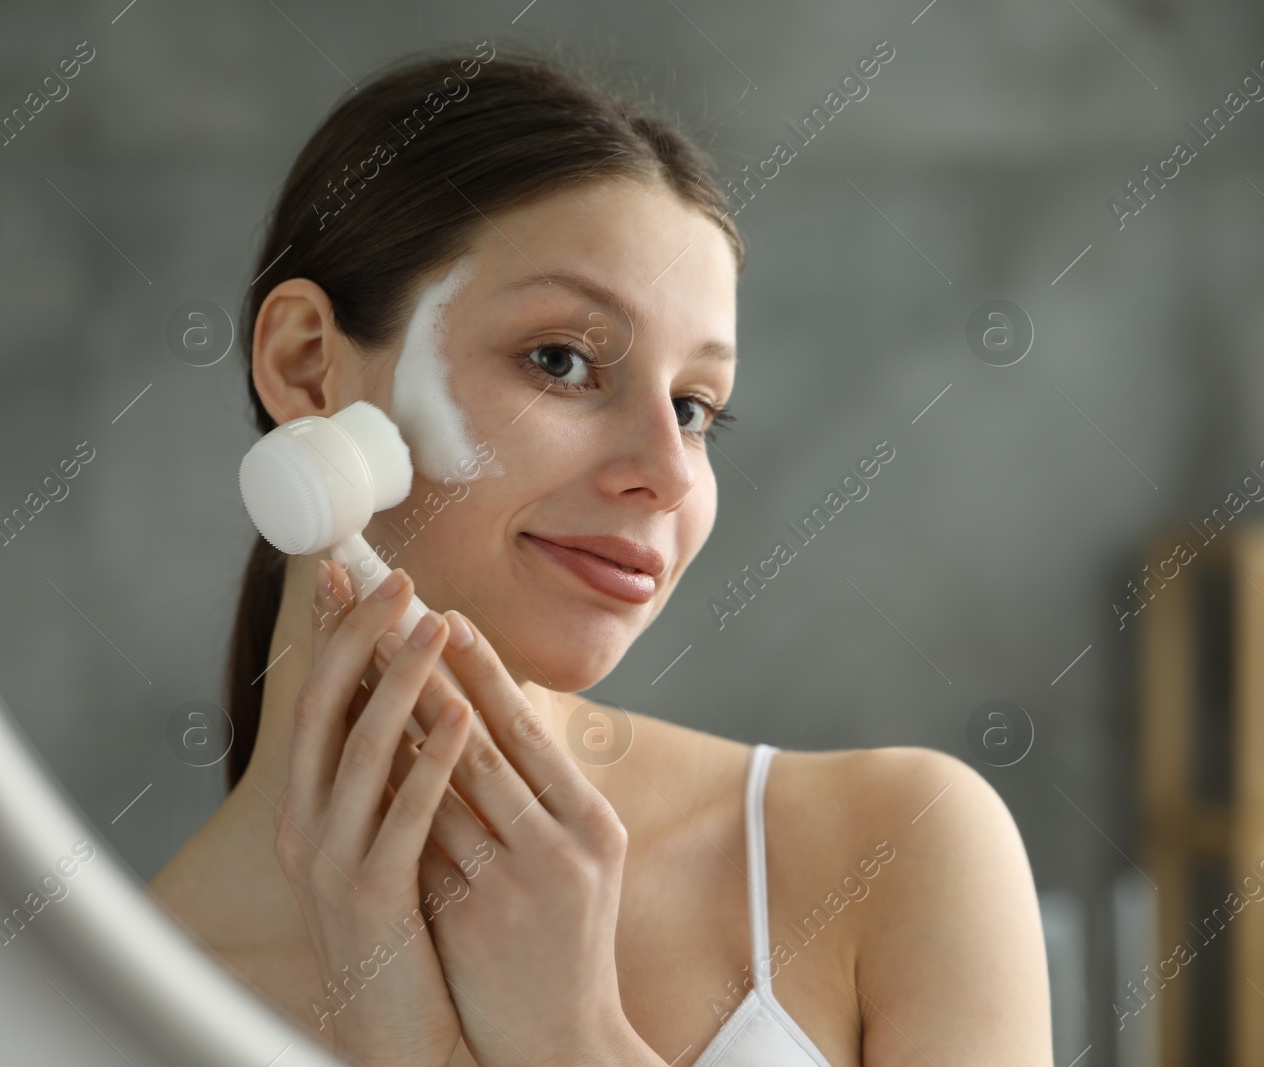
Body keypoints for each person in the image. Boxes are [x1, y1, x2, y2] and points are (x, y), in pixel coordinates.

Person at [145, 43, 1051, 1067]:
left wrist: (568, 1034)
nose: (668, 471)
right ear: (309, 366)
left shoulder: (897, 849)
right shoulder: (97, 1002)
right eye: (563, 361)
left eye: (694, 407)